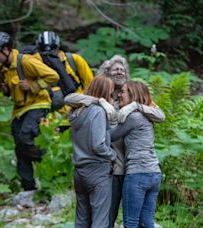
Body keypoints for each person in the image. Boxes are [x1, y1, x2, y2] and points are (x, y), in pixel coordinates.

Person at [65, 54, 165, 227]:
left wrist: (136, 106)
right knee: (106, 217)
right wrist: (101, 101)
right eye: (115, 69)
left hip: (133, 169)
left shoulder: (130, 96)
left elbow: (160, 115)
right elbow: (69, 98)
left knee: (131, 218)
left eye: (122, 69)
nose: (119, 71)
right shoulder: (104, 100)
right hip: (112, 168)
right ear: (107, 73)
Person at [0, 31, 59, 191]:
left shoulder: (25, 61)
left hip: (38, 104)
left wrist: (33, 85)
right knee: (19, 146)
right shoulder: (1, 70)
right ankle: (28, 187)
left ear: (5, 50)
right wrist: (4, 90)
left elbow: (53, 76)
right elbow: (0, 90)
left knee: (25, 135)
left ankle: (48, 159)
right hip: (19, 109)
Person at [110, 81, 162, 228]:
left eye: (123, 92)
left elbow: (111, 136)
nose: (119, 94)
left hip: (137, 174)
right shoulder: (147, 115)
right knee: (147, 223)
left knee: (131, 223)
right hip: (154, 173)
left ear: (133, 95)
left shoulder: (133, 117)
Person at [70, 76, 116, 227]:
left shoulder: (77, 112)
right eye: (110, 92)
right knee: (100, 220)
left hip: (79, 171)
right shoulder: (98, 112)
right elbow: (98, 145)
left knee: (82, 219)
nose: (112, 96)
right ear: (105, 92)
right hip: (98, 171)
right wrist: (112, 155)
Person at [35, 31, 94, 132]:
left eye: (53, 49)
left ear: (58, 48)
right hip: (49, 120)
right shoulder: (35, 65)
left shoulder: (74, 61)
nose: (48, 54)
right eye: (43, 51)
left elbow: (92, 88)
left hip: (76, 115)